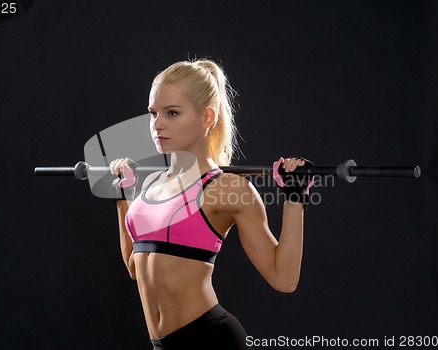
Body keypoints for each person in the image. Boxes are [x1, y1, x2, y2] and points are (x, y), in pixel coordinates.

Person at [110, 59, 312, 350]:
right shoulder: (150, 185)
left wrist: (295, 199)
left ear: (206, 118)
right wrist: (124, 195)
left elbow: (284, 279)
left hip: (209, 340)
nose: (157, 124)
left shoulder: (226, 188)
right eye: (153, 113)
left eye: (172, 113)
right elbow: (134, 267)